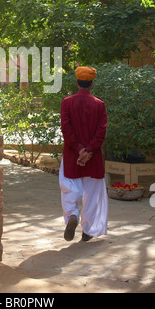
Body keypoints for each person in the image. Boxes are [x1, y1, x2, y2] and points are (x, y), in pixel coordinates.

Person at [59, 66, 108, 242]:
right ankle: (88, 230)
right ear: (92, 83)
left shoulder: (67, 102)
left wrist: (79, 150)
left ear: (77, 82)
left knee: (69, 188)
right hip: (93, 158)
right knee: (93, 195)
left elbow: (66, 129)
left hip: (72, 156)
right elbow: (101, 131)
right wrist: (89, 151)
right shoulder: (99, 104)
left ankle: (72, 214)